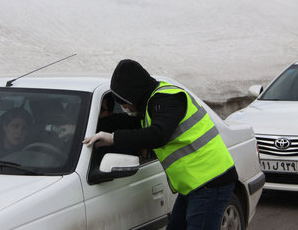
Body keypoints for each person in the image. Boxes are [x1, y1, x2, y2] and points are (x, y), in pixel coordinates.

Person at [83, 59, 238, 230]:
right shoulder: (153, 104)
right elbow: (134, 124)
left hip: (211, 181)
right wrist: (99, 125)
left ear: (134, 93)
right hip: (196, 184)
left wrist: (113, 138)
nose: (123, 106)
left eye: (124, 101)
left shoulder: (167, 99)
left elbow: (157, 135)